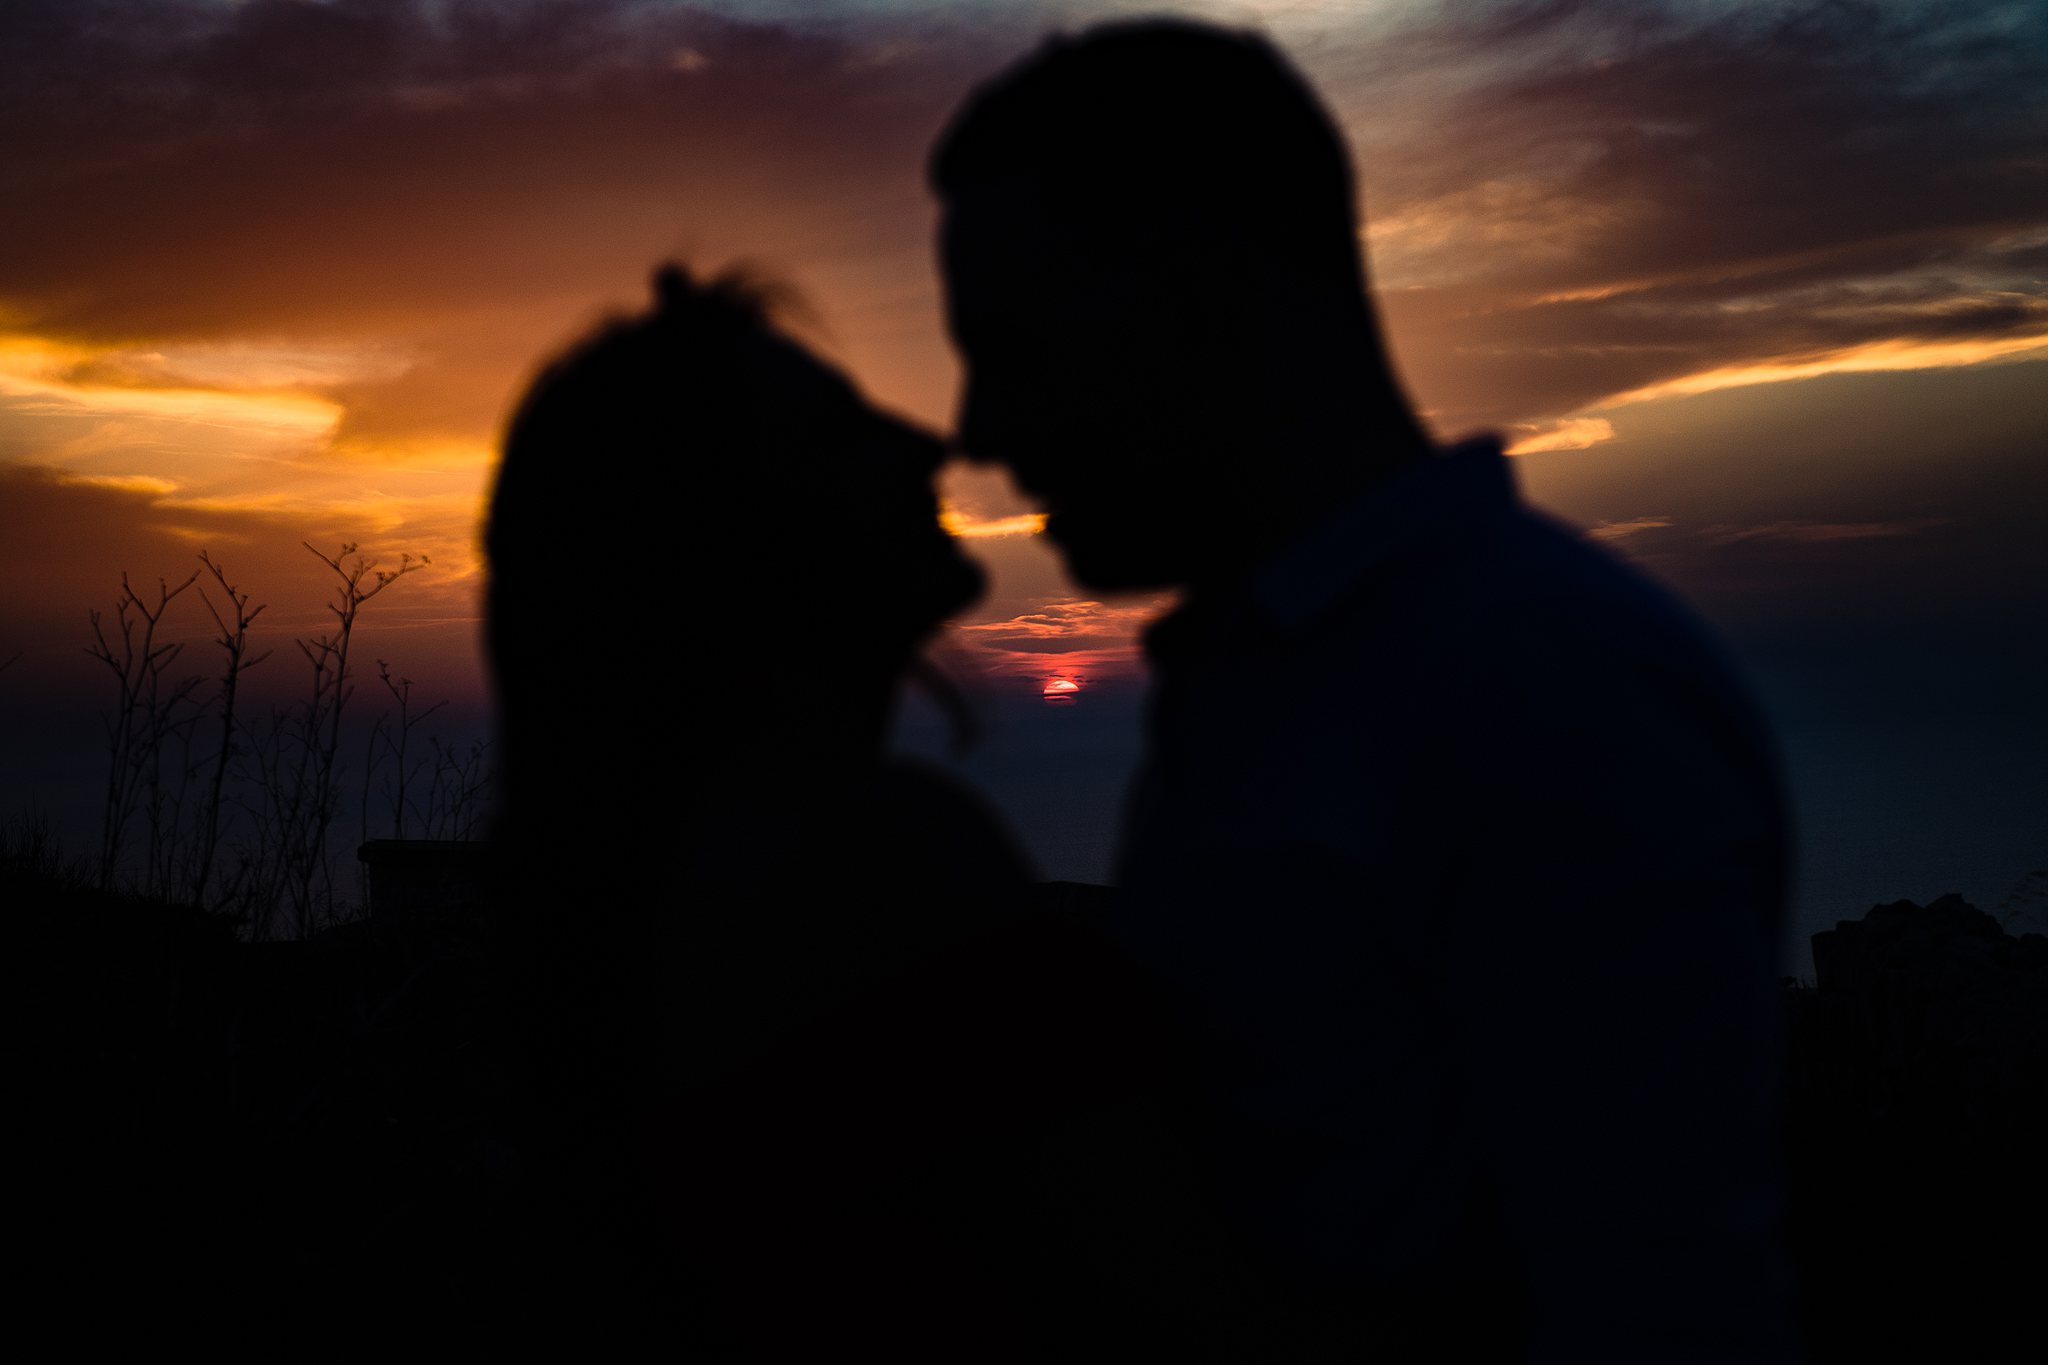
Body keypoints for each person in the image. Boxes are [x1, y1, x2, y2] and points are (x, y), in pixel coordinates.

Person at [932, 20, 1801, 1363]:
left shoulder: (1548, 695)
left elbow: (1659, 1311)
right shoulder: (1276, 680)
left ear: (1200, 292)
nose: (978, 428)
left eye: (1018, 343)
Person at [482, 264, 1193, 1357]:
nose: (926, 444)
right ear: (722, 546)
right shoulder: (881, 867)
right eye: (840, 432)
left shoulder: (648, 909)